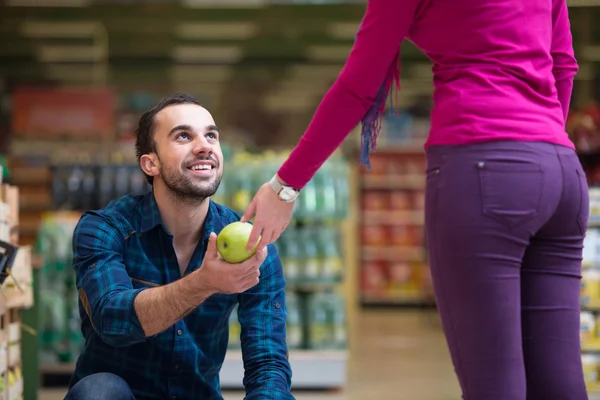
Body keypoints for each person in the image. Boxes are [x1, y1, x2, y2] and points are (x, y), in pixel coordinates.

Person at [241, 0, 587, 399]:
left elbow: (358, 86)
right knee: (559, 380)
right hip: (561, 169)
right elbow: (563, 65)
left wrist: (286, 185)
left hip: (483, 166)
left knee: (495, 385)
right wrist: (536, 156)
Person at [65, 93, 294, 400]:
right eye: (184, 136)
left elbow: (268, 364)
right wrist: (204, 283)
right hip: (120, 395)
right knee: (98, 391)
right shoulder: (107, 229)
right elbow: (112, 319)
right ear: (151, 163)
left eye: (211, 135)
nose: (205, 146)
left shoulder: (252, 245)